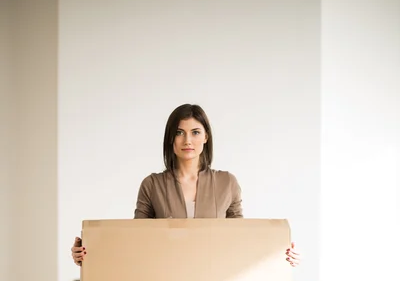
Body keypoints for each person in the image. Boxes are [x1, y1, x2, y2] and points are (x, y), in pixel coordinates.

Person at [71, 103, 300, 266]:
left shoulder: (227, 182)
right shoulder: (152, 185)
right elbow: (136, 242)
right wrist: (88, 254)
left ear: (206, 137)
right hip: (167, 280)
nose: (187, 140)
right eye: (179, 132)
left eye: (195, 132)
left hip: (214, 280)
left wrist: (281, 254)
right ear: (171, 139)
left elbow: (239, 240)